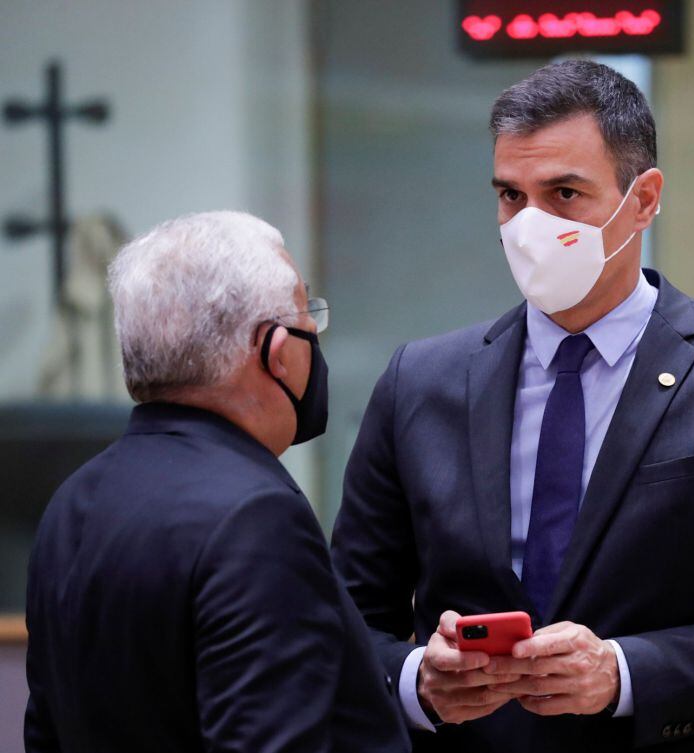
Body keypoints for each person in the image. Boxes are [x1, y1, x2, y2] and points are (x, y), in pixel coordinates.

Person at [331, 60, 694, 752]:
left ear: (643, 200)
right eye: (510, 196)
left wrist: (625, 673)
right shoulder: (421, 381)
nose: (529, 226)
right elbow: (338, 621)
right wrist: (415, 680)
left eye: (563, 193)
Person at [24, 211, 410, 753]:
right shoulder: (256, 517)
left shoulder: (73, 502)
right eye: (309, 319)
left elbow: (45, 732)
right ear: (275, 350)